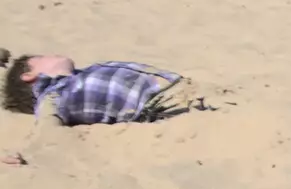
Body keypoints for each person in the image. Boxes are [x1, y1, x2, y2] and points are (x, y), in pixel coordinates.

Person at [2, 50, 204, 126]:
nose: (53, 53)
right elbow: (46, 127)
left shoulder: (82, 74)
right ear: (29, 76)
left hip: (182, 88)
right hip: (161, 103)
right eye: (42, 58)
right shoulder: (54, 95)